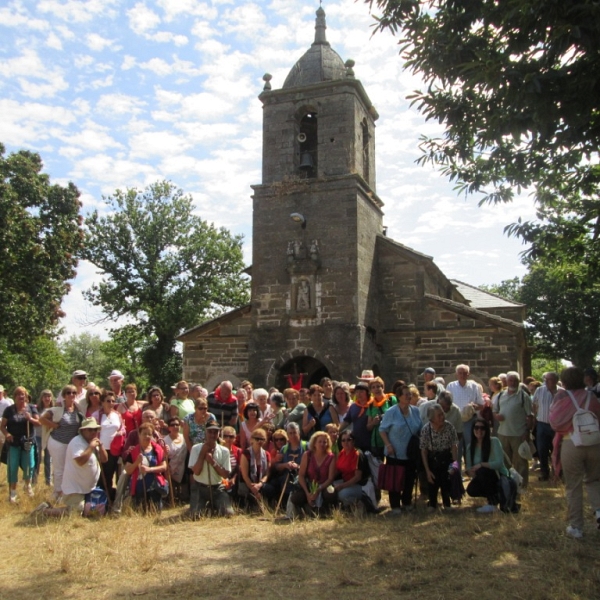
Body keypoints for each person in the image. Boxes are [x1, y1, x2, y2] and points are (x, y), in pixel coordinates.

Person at [549, 367, 600, 539]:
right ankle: (599, 511)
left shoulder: (562, 397)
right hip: (594, 443)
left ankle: (576, 527)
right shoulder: (591, 396)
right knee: (594, 481)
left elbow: (555, 422)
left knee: (574, 486)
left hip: (571, 443)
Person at [33, 417, 109, 517]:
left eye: (95, 429)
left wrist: (101, 446)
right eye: (90, 429)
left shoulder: (93, 442)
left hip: (88, 488)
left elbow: (104, 459)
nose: (93, 432)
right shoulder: (77, 442)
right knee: (76, 512)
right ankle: (45, 511)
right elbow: (80, 461)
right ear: (83, 430)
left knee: (94, 510)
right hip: (75, 488)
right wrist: (91, 447)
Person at [379, 386, 422, 512]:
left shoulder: (415, 411)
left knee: (409, 478)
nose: (409, 397)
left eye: (410, 394)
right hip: (395, 452)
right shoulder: (391, 412)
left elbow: (419, 427)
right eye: (406, 395)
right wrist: (388, 445)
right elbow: (382, 430)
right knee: (395, 479)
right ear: (399, 397)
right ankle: (395, 505)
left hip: (411, 452)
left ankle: (407, 502)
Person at [39, 384, 84, 501]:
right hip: (58, 442)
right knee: (59, 469)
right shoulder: (57, 410)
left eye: (74, 392)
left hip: (71, 444)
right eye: (68, 393)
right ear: (64, 395)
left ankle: (67, 491)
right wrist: (53, 425)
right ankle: (57, 493)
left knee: (70, 468)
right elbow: (41, 419)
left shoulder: (79, 410)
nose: (71, 395)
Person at [493, 371, 533, 488]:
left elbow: (530, 416)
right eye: (511, 380)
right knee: (505, 461)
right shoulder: (500, 395)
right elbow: (494, 410)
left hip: (519, 434)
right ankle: (507, 485)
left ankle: (522, 487)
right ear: (507, 381)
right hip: (503, 433)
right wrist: (496, 416)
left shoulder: (523, 396)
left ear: (518, 382)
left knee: (520, 462)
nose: (513, 382)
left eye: (515, 380)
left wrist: (527, 432)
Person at [1, 386, 40, 502]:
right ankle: (13, 492)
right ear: (15, 397)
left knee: (29, 465)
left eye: (23, 394)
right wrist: (7, 434)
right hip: (14, 442)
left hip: (28, 441)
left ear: (26, 396)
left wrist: (30, 419)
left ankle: (27, 485)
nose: (21, 396)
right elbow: (2, 426)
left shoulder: (32, 408)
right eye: (18, 394)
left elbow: (38, 423)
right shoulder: (9, 410)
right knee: (12, 467)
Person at [188, 419, 234, 517]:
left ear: (219, 433)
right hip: (200, 487)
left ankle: (212, 506)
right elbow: (196, 472)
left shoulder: (224, 450)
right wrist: (202, 453)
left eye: (215, 432)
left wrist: (212, 462)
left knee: (228, 514)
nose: (212, 435)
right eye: (210, 432)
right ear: (205, 432)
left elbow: (225, 474)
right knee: (195, 516)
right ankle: (204, 506)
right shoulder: (196, 448)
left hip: (217, 488)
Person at [465, 417, 509, 513]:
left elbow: (499, 463)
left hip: (498, 475)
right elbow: (468, 467)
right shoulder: (470, 447)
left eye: (482, 428)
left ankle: (492, 503)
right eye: (476, 428)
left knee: (483, 470)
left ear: (487, 430)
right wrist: (470, 472)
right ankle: (495, 495)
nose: (479, 430)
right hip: (481, 476)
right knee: (471, 490)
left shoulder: (494, 441)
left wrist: (481, 464)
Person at [420, 404, 459, 510]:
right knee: (432, 482)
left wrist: (454, 464)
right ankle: (432, 503)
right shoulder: (426, 430)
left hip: (446, 458)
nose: (442, 417)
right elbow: (423, 451)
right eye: (439, 415)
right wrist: (427, 471)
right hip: (433, 460)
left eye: (442, 414)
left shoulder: (449, 427)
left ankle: (447, 503)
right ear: (432, 419)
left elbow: (454, 447)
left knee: (446, 482)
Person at [291, 431, 336, 516]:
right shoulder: (307, 455)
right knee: (296, 497)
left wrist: (319, 489)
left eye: (324, 442)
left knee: (330, 494)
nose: (322, 444)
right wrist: (307, 493)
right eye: (320, 441)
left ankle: (326, 511)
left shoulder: (331, 457)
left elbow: (330, 478)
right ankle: (304, 511)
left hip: (324, 485)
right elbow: (301, 475)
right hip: (309, 485)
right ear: (314, 443)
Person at [124, 422, 168, 511]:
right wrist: (137, 462)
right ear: (139, 435)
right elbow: (128, 471)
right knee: (140, 513)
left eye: (149, 434)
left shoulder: (158, 449)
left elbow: (164, 467)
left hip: (155, 486)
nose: (147, 436)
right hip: (139, 487)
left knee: (155, 512)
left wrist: (150, 469)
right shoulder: (133, 451)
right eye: (144, 434)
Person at [446, 364, 484, 464]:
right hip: (455, 420)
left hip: (470, 421)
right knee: (456, 447)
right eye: (460, 373)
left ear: (468, 374)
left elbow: (481, 404)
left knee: (470, 446)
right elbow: (446, 403)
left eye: (465, 373)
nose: (462, 375)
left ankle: (471, 470)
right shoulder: (450, 386)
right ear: (456, 374)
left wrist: (473, 407)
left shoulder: (475, 386)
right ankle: (457, 473)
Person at [93, 390, 125, 501]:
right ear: (102, 402)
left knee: (114, 475)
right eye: (108, 401)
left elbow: (122, 428)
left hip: (116, 449)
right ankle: (102, 500)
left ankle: (112, 499)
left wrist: (121, 433)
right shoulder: (97, 415)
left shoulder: (117, 415)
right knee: (104, 476)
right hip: (102, 449)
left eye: (113, 401)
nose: (111, 403)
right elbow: (92, 431)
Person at [532, 371, 561, 481]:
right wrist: (535, 418)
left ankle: (557, 473)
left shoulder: (561, 392)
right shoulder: (540, 390)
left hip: (557, 427)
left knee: (556, 450)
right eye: (546, 379)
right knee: (542, 449)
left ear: (555, 380)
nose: (546, 381)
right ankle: (544, 472)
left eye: (549, 379)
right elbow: (534, 404)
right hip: (542, 424)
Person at [239, 427, 277, 508]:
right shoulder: (246, 454)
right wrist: (254, 490)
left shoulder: (267, 455)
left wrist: (260, 484)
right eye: (257, 438)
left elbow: (267, 474)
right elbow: (245, 476)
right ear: (251, 440)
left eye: (262, 439)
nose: (259, 441)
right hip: (247, 484)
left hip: (260, 484)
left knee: (271, 489)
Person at [331, 432, 367, 510]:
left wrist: (342, 486)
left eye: (348, 440)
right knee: (330, 488)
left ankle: (360, 504)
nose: (346, 442)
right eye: (343, 440)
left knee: (342, 494)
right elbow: (338, 470)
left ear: (353, 441)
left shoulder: (357, 454)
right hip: (347, 482)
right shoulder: (342, 453)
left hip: (360, 485)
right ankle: (345, 506)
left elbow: (357, 477)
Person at [366, 377, 397, 458]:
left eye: (378, 386)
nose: (376, 389)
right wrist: (373, 423)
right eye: (373, 387)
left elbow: (399, 416)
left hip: (392, 440)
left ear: (383, 388)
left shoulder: (391, 400)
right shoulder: (370, 405)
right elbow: (368, 427)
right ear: (371, 391)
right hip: (377, 442)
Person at [340, 381, 371, 451]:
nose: (358, 394)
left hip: (370, 442)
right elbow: (347, 421)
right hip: (357, 441)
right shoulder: (354, 406)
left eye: (361, 392)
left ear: (367, 393)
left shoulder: (372, 406)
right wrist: (338, 430)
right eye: (357, 392)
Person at [164, 417, 187, 503]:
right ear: (169, 427)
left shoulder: (184, 437)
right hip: (171, 468)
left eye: (177, 424)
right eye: (172, 425)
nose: (175, 427)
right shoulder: (165, 440)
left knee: (184, 493)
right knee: (171, 492)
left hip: (183, 467)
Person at [34, 389, 54, 487]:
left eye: (49, 396)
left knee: (48, 459)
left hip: (49, 437)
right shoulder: (37, 409)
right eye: (45, 396)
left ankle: (48, 481)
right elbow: (37, 422)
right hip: (38, 436)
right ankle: (34, 480)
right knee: (36, 458)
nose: (47, 398)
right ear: (41, 398)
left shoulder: (53, 409)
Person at [221, 425, 242, 498]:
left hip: (234, 478)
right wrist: (225, 480)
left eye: (231, 436)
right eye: (225, 436)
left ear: (235, 438)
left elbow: (240, 467)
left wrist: (234, 478)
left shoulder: (239, 451)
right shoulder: (217, 450)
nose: (228, 439)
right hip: (221, 477)